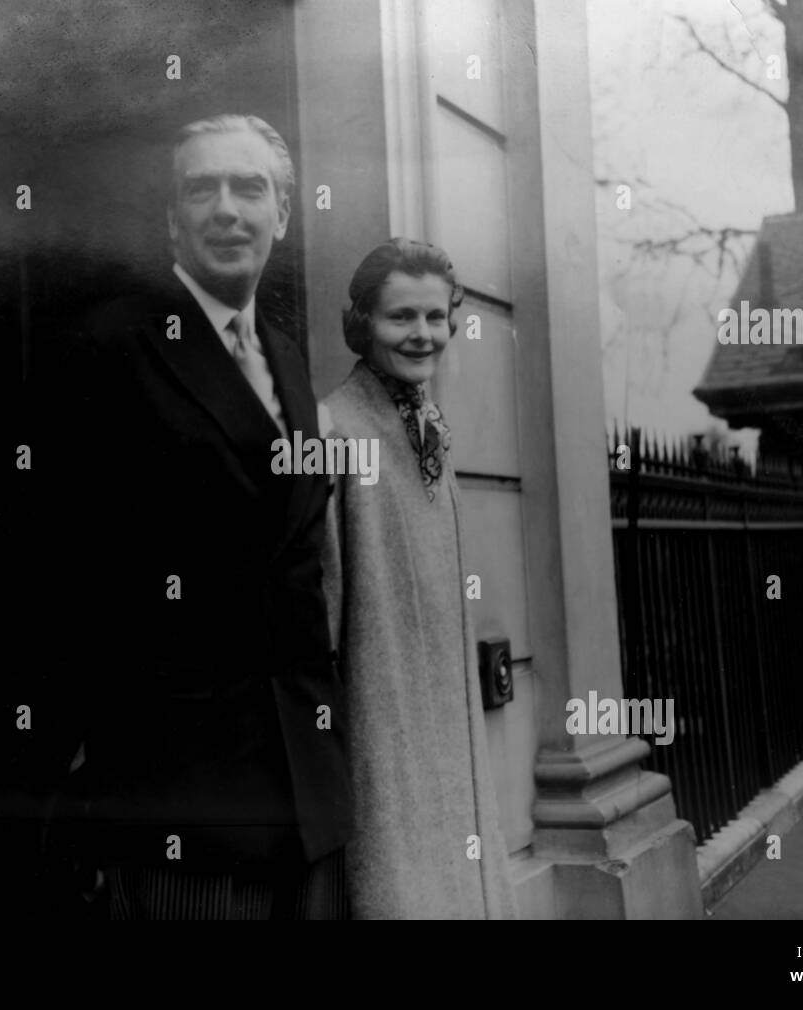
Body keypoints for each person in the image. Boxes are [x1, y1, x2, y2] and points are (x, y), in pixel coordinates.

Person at [37, 114, 351, 918]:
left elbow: (301, 566)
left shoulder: (287, 358)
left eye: (250, 189)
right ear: (172, 220)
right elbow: (61, 578)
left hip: (301, 793)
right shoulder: (106, 348)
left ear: (282, 215)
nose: (226, 209)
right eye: (200, 190)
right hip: (176, 796)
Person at [320, 238, 517, 919]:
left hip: (449, 744)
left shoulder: (429, 425)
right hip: (383, 736)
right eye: (401, 317)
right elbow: (322, 614)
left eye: (436, 318)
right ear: (362, 324)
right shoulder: (333, 431)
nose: (423, 334)